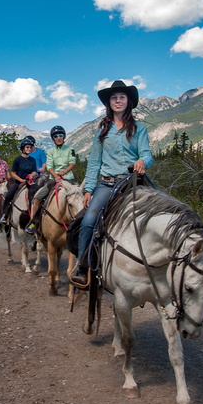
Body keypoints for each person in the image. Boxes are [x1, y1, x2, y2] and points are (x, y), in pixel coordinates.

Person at [70, 80, 154, 287]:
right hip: (107, 184)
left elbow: (146, 154)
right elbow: (94, 163)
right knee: (89, 220)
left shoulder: (139, 128)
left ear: (129, 101)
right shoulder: (101, 131)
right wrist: (89, 189)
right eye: (114, 98)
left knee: (161, 211)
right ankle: (82, 266)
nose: (118, 101)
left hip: (133, 181)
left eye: (122, 97)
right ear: (109, 103)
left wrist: (143, 161)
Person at [25, 125, 76, 234]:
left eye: (60, 135)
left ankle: (81, 224)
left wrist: (64, 172)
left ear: (64, 136)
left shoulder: (70, 149)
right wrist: (56, 176)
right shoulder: (50, 151)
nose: (58, 138)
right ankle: (34, 223)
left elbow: (72, 163)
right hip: (53, 180)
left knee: (80, 197)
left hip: (68, 179)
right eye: (56, 136)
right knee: (38, 198)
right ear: (53, 138)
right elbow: (49, 166)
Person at [0, 137, 38, 224]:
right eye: (27, 147)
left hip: (30, 182)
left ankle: (37, 216)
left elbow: (34, 171)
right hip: (19, 182)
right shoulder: (17, 160)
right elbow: (13, 173)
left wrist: (31, 175)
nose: (29, 149)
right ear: (23, 148)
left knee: (38, 195)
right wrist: (22, 180)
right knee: (8, 195)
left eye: (30, 147)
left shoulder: (32, 160)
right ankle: (4, 215)